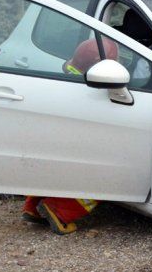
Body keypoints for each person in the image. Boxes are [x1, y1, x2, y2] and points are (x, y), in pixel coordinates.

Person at [21, 38, 118, 235]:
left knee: (55, 168)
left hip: (53, 144)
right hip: (76, 148)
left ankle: (32, 205)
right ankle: (60, 211)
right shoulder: (93, 89)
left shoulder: (66, 76)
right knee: (108, 178)